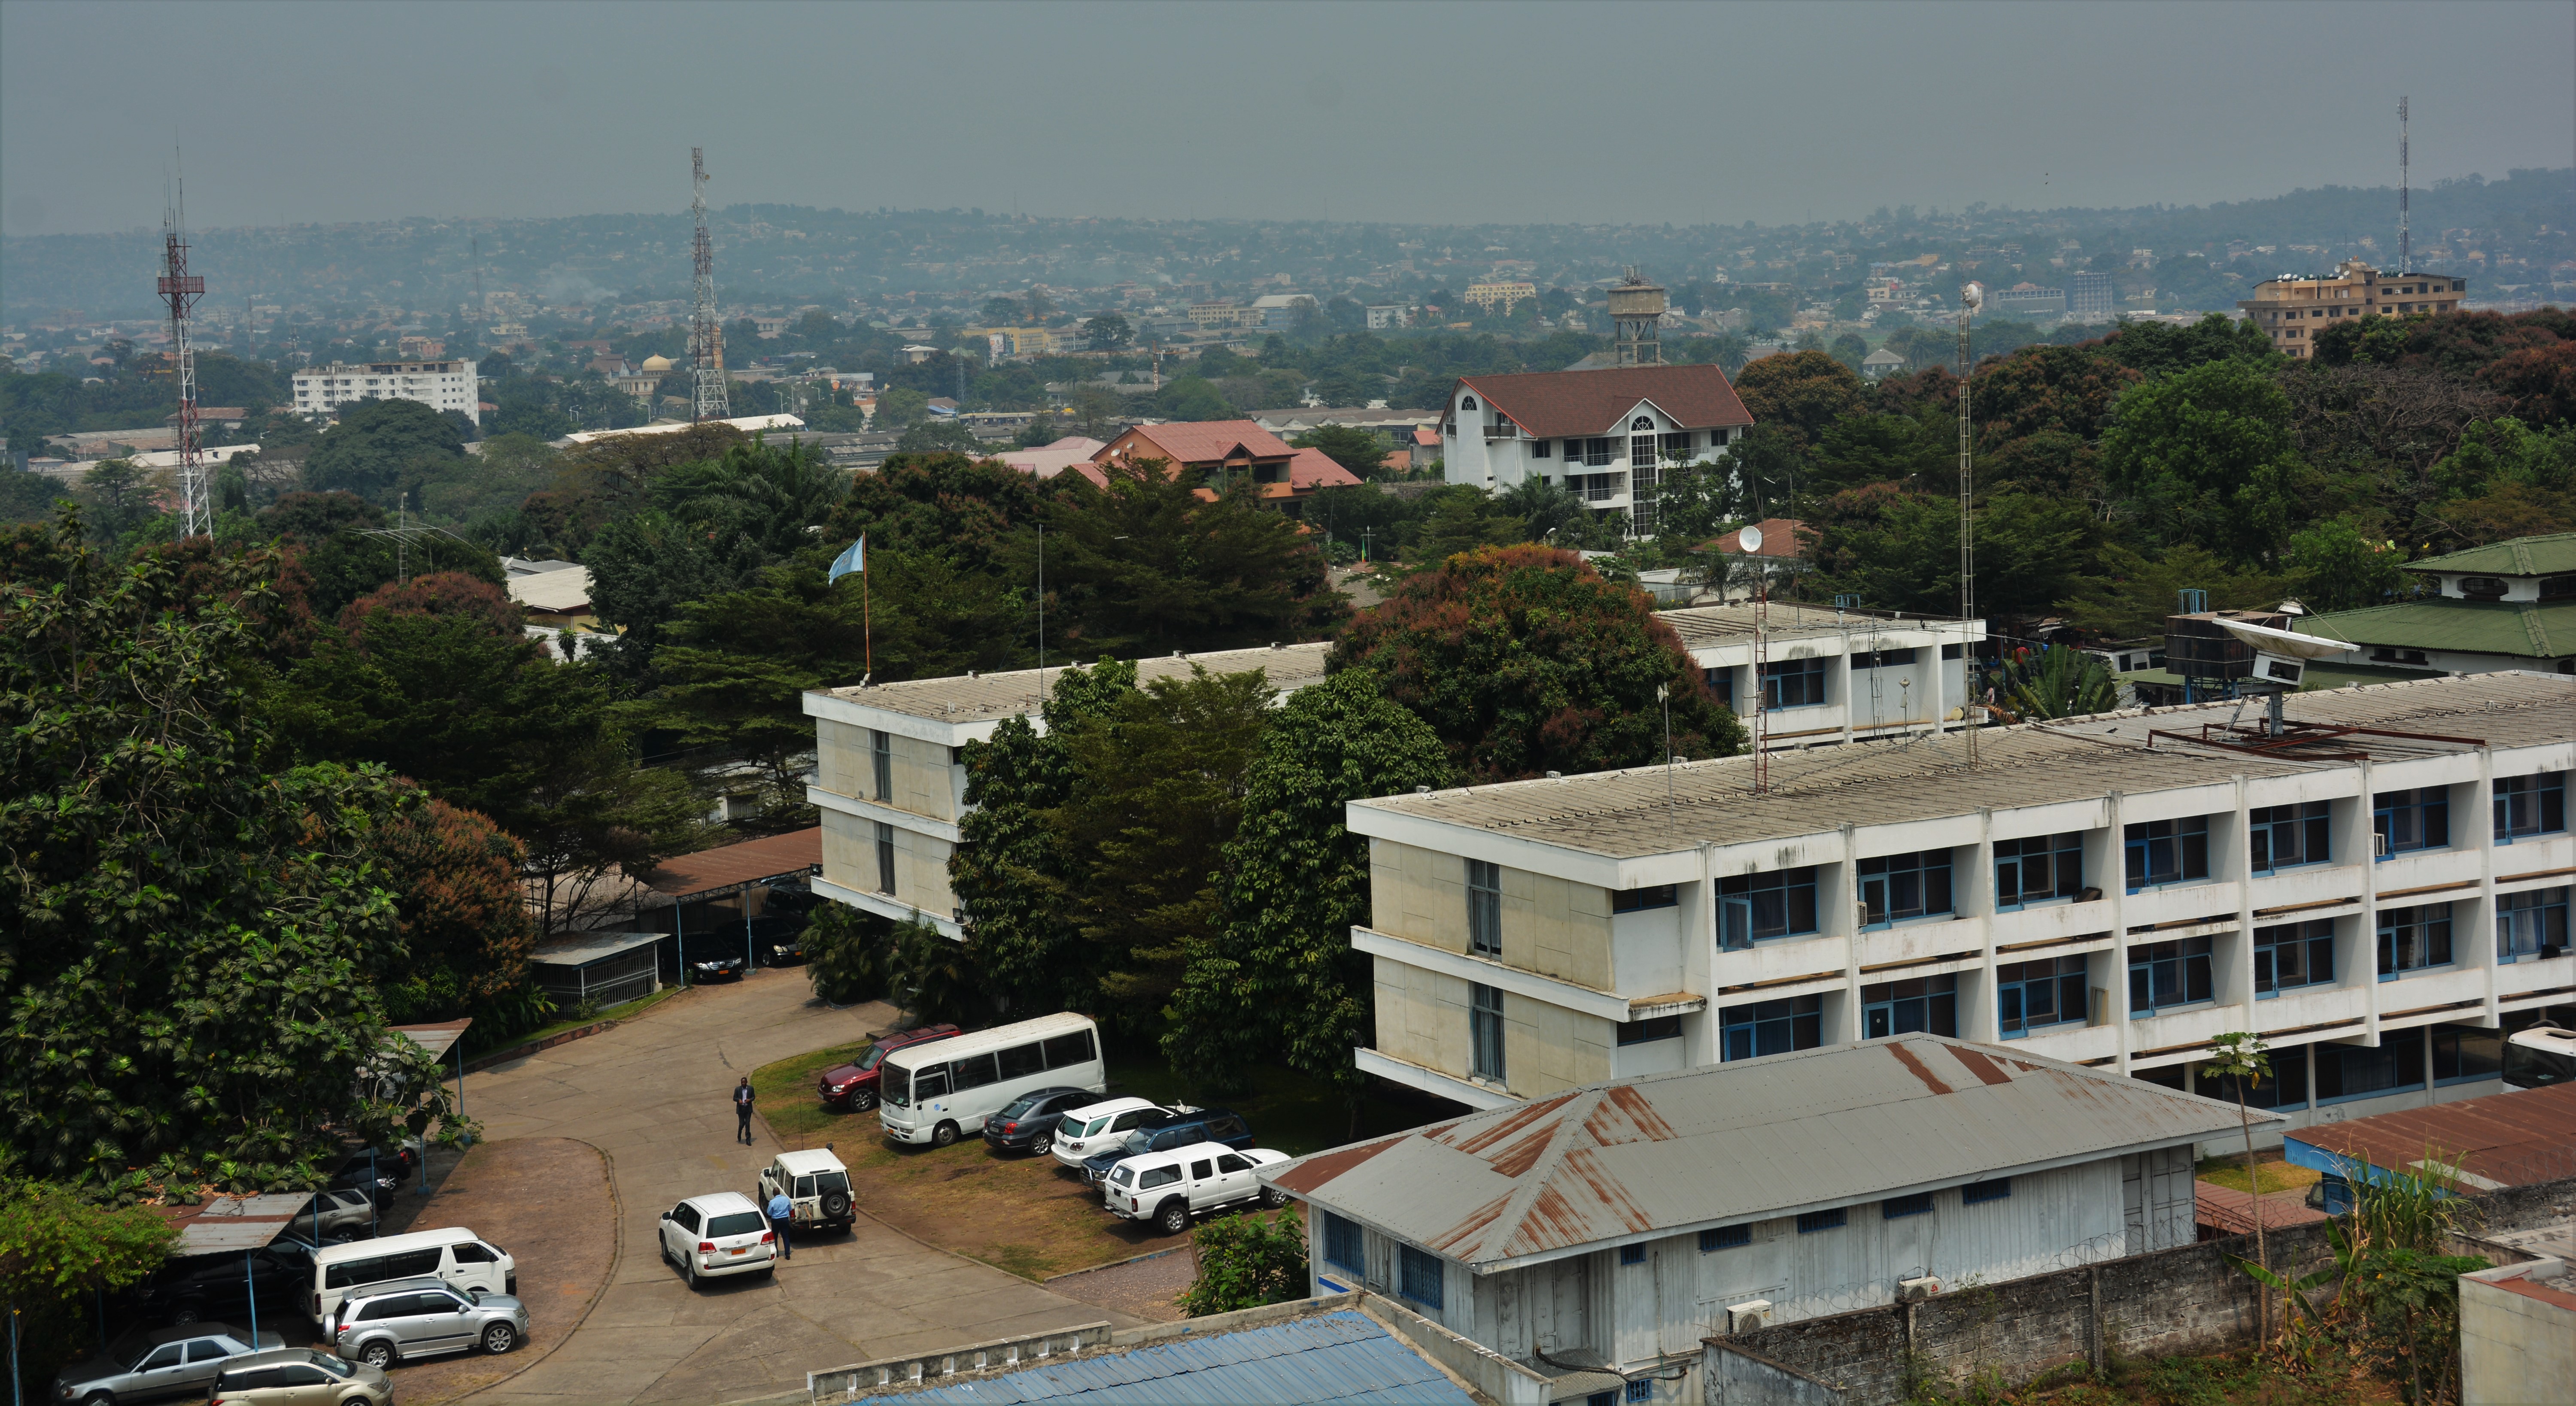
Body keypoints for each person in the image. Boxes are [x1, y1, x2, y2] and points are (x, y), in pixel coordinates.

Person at [766, 1187, 794, 1261]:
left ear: (774, 1194)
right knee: (786, 1236)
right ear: (779, 1193)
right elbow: (790, 1209)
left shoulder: (772, 1202)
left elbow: (769, 1213)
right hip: (785, 1220)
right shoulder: (786, 1199)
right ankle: (788, 1254)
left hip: (776, 1221)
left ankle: (777, 1253)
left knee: (775, 1237)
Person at [733, 1076, 756, 1145]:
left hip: (748, 1109)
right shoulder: (738, 1089)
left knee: (748, 1124)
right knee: (742, 1124)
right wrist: (739, 1100)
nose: (743, 1083)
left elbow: (753, 1097)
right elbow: (734, 1098)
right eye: (742, 1082)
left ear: (746, 1082)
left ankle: (748, 1139)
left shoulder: (751, 1089)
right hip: (741, 1109)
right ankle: (739, 1133)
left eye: (744, 1082)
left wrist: (750, 1100)